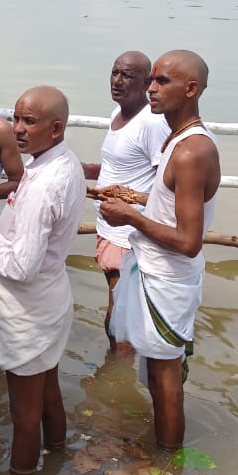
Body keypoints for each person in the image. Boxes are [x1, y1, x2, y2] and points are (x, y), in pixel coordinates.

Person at [96, 50, 220, 452]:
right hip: (155, 272)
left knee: (165, 384)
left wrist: (131, 217)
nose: (151, 88)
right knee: (153, 375)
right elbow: (172, 201)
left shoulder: (191, 150)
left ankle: (165, 466)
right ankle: (159, 450)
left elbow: (188, 241)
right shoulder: (175, 138)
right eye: (151, 79)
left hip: (167, 278)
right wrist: (133, 196)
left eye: (162, 81)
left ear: (191, 89)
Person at [0, 86, 84, 475]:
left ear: (57, 128)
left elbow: (22, 266)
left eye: (30, 120)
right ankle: (59, 455)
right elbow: (34, 238)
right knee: (48, 392)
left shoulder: (45, 182)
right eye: (16, 118)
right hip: (48, 296)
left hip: (27, 306)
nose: (18, 129)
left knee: (24, 414)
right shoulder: (60, 163)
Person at [83, 51, 170, 350]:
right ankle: (116, 371)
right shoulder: (117, 116)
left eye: (127, 76)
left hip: (128, 233)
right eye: (115, 72)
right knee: (116, 305)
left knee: (121, 314)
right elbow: (118, 166)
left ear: (146, 83)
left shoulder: (152, 123)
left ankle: (118, 376)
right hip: (109, 228)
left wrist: (127, 198)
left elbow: (166, 183)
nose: (118, 81)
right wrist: (83, 171)